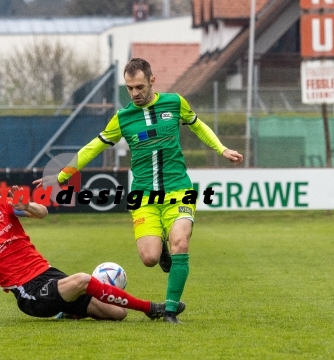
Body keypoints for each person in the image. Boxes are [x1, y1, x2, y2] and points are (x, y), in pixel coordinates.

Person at [34, 58, 243, 324]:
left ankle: (169, 310)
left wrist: (221, 148)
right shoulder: (123, 118)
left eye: (139, 86)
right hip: (144, 196)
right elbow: (92, 147)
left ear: (152, 81)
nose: (135, 93)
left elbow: (198, 125)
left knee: (180, 241)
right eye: (130, 88)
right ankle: (162, 251)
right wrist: (62, 175)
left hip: (179, 190)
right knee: (149, 258)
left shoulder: (175, 102)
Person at [0, 168, 185, 323]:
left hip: (49, 275)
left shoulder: (5, 206)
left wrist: (25, 205)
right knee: (83, 279)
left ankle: (68, 313)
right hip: (30, 293)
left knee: (117, 315)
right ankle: (152, 309)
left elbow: (42, 212)